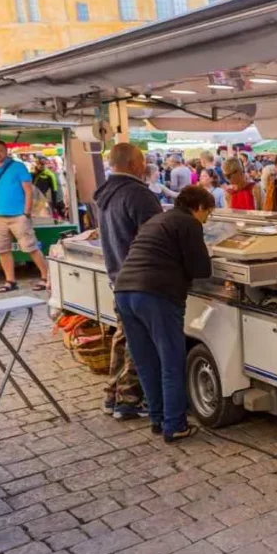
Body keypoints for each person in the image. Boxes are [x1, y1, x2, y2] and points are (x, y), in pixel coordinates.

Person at [114, 186, 214, 443]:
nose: (207, 219)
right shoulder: (190, 223)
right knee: (171, 360)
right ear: (200, 207)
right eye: (208, 213)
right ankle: (175, 424)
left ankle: (158, 418)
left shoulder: (157, 219)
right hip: (157, 295)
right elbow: (202, 268)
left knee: (146, 360)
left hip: (124, 291)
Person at [93, 143, 163, 420]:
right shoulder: (137, 194)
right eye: (142, 161)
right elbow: (158, 236)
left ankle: (112, 394)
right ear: (135, 164)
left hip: (119, 276)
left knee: (123, 336)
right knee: (139, 340)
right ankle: (129, 399)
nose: (144, 166)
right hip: (141, 278)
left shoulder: (106, 193)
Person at [0, 140, 50, 292]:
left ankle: (46, 277)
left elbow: (28, 191)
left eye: (0, 150)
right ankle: (10, 281)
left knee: (30, 247)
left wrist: (26, 212)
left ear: (6, 151)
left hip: (18, 215)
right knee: (2, 249)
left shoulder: (18, 167)